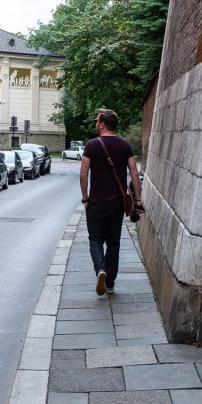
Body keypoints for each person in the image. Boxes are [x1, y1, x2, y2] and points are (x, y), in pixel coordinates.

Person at [79, 108, 142, 295]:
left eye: (98, 121)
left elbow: (83, 174)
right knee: (114, 243)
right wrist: (137, 200)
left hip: (96, 203)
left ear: (102, 124)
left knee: (95, 239)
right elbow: (134, 172)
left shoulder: (92, 145)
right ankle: (110, 282)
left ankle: (100, 269)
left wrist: (85, 198)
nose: (96, 124)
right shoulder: (125, 145)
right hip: (117, 205)